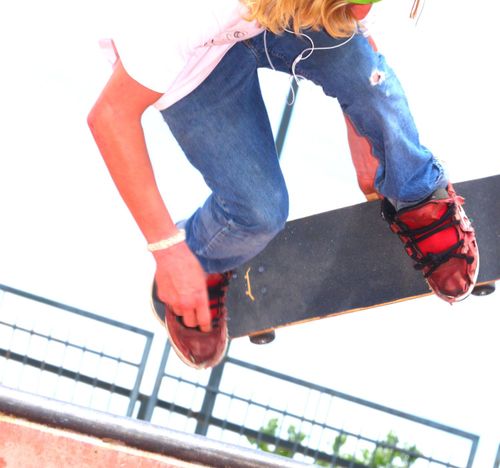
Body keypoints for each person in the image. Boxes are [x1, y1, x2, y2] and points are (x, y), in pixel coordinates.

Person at [88, 0, 479, 369]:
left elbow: (357, 42)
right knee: (259, 213)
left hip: (289, 14)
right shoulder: (174, 16)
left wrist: (364, 122)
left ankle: (419, 197)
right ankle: (204, 253)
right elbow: (110, 116)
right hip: (196, 64)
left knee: (367, 78)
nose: (363, 11)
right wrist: (168, 251)